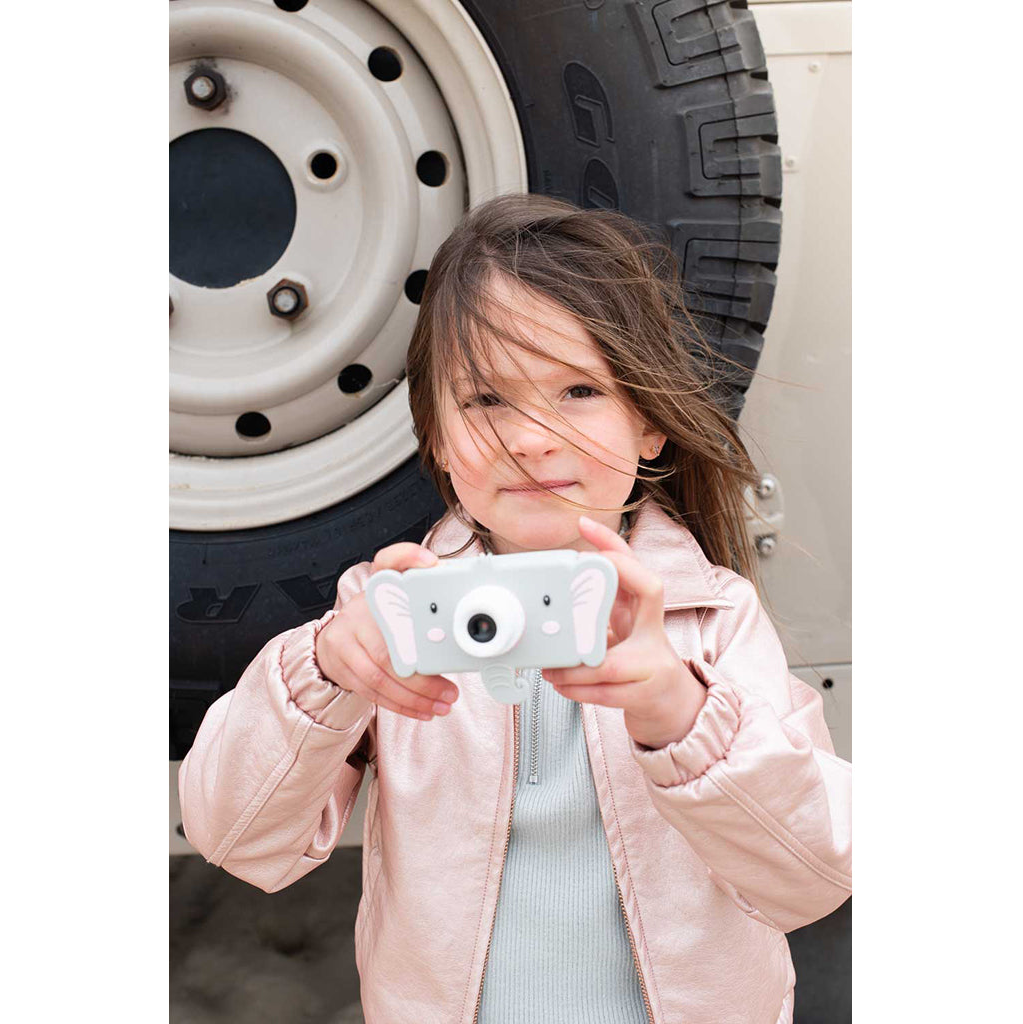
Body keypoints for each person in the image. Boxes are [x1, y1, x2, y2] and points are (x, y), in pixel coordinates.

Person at [178, 193, 852, 1024]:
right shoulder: (390, 617)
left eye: (577, 390)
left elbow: (812, 875)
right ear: (436, 438)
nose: (531, 438)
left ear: (650, 422)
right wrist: (321, 674)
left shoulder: (710, 618)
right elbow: (237, 837)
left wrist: (678, 711)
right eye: (488, 400)